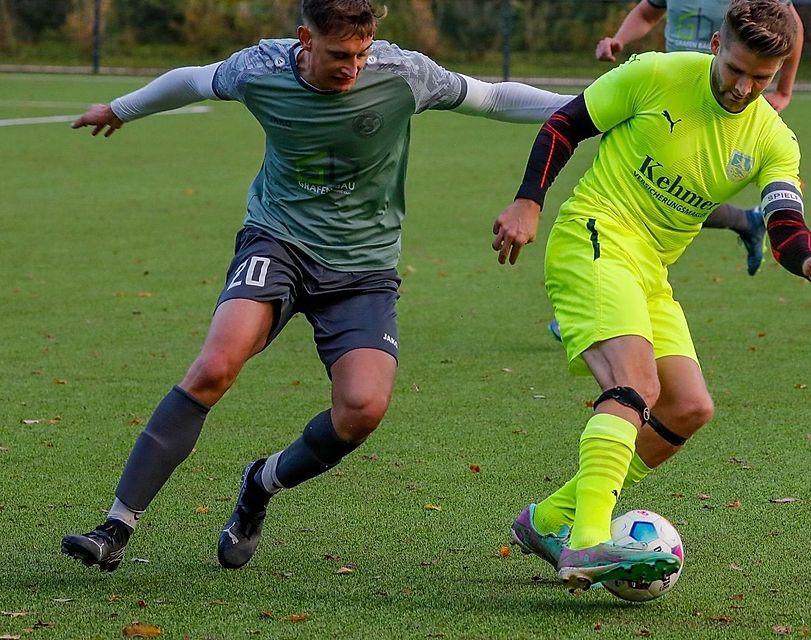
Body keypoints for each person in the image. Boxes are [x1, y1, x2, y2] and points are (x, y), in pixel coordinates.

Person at [60, 0, 578, 574]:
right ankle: (115, 526)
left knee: (362, 409)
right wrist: (121, 109)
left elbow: (492, 97)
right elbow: (192, 80)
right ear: (305, 38)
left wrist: (587, 110)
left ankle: (260, 483)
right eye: (339, 54)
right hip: (277, 241)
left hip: (364, 268)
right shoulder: (260, 69)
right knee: (213, 367)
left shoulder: (403, 74)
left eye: (361, 54)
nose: (352, 67)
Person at [492, 0, 811, 590]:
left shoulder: (774, 138)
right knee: (636, 385)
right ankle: (585, 544)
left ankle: (548, 520)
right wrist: (529, 200)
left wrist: (806, 258)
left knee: (686, 408)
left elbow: (783, 219)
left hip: (651, 269)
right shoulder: (655, 74)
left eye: (761, 78)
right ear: (714, 48)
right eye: (736, 69)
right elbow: (565, 124)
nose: (744, 87)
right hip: (594, 236)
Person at [596, 0, 806, 277]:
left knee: (671, 191)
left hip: (721, 106)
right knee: (642, 185)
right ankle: (747, 221)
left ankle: (600, 287)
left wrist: (784, 91)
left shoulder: (756, 8)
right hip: (674, 94)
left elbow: (791, 30)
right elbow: (648, 13)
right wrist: (619, 40)